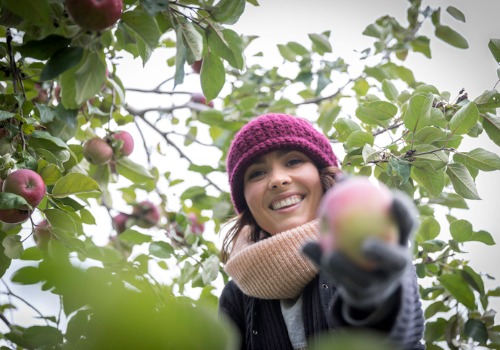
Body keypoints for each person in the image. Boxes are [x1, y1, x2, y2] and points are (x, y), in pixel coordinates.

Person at [218, 113, 425, 350]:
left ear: (322, 174)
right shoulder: (236, 296)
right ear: (245, 202)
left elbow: (401, 338)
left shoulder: (368, 248)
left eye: (293, 161)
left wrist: (378, 303)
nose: (277, 179)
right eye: (256, 173)